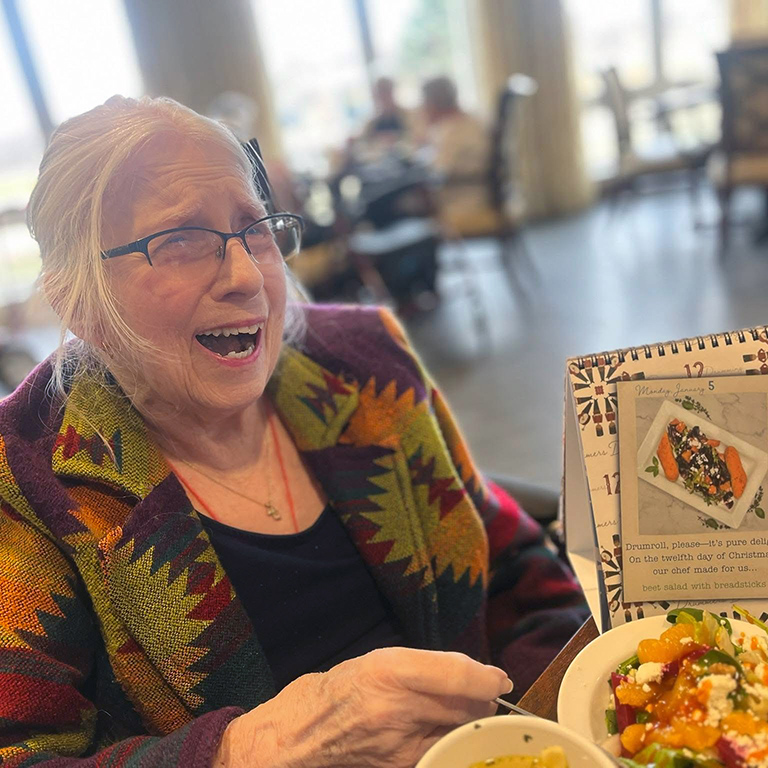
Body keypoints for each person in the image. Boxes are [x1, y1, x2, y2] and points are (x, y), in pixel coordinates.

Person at [0, 95, 587, 767]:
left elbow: (512, 560)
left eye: (255, 228)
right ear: (77, 297)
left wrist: (549, 729)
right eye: (180, 240)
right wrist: (249, 749)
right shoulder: (26, 483)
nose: (248, 275)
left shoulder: (366, 364)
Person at [420, 76, 498, 234]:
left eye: (425, 103)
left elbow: (438, 172)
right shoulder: (472, 119)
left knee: (404, 205)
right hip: (484, 193)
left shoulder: (452, 131)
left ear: (433, 103)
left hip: (466, 200)